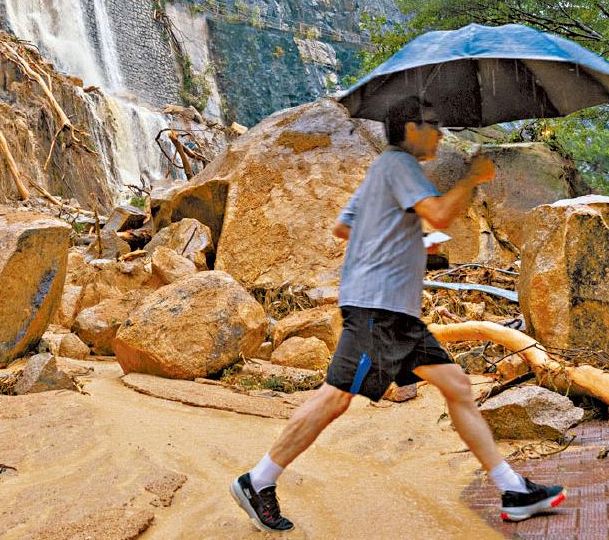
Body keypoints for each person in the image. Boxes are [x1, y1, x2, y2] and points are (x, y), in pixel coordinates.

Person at [230, 96, 565, 532]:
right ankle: (258, 480)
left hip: (396, 314)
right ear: (410, 127)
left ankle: (513, 490)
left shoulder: (381, 171)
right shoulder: (399, 164)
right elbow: (441, 211)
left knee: (457, 385)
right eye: (433, 124)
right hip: (377, 309)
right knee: (335, 397)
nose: (440, 134)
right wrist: (471, 178)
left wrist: (410, 242)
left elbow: (344, 227)